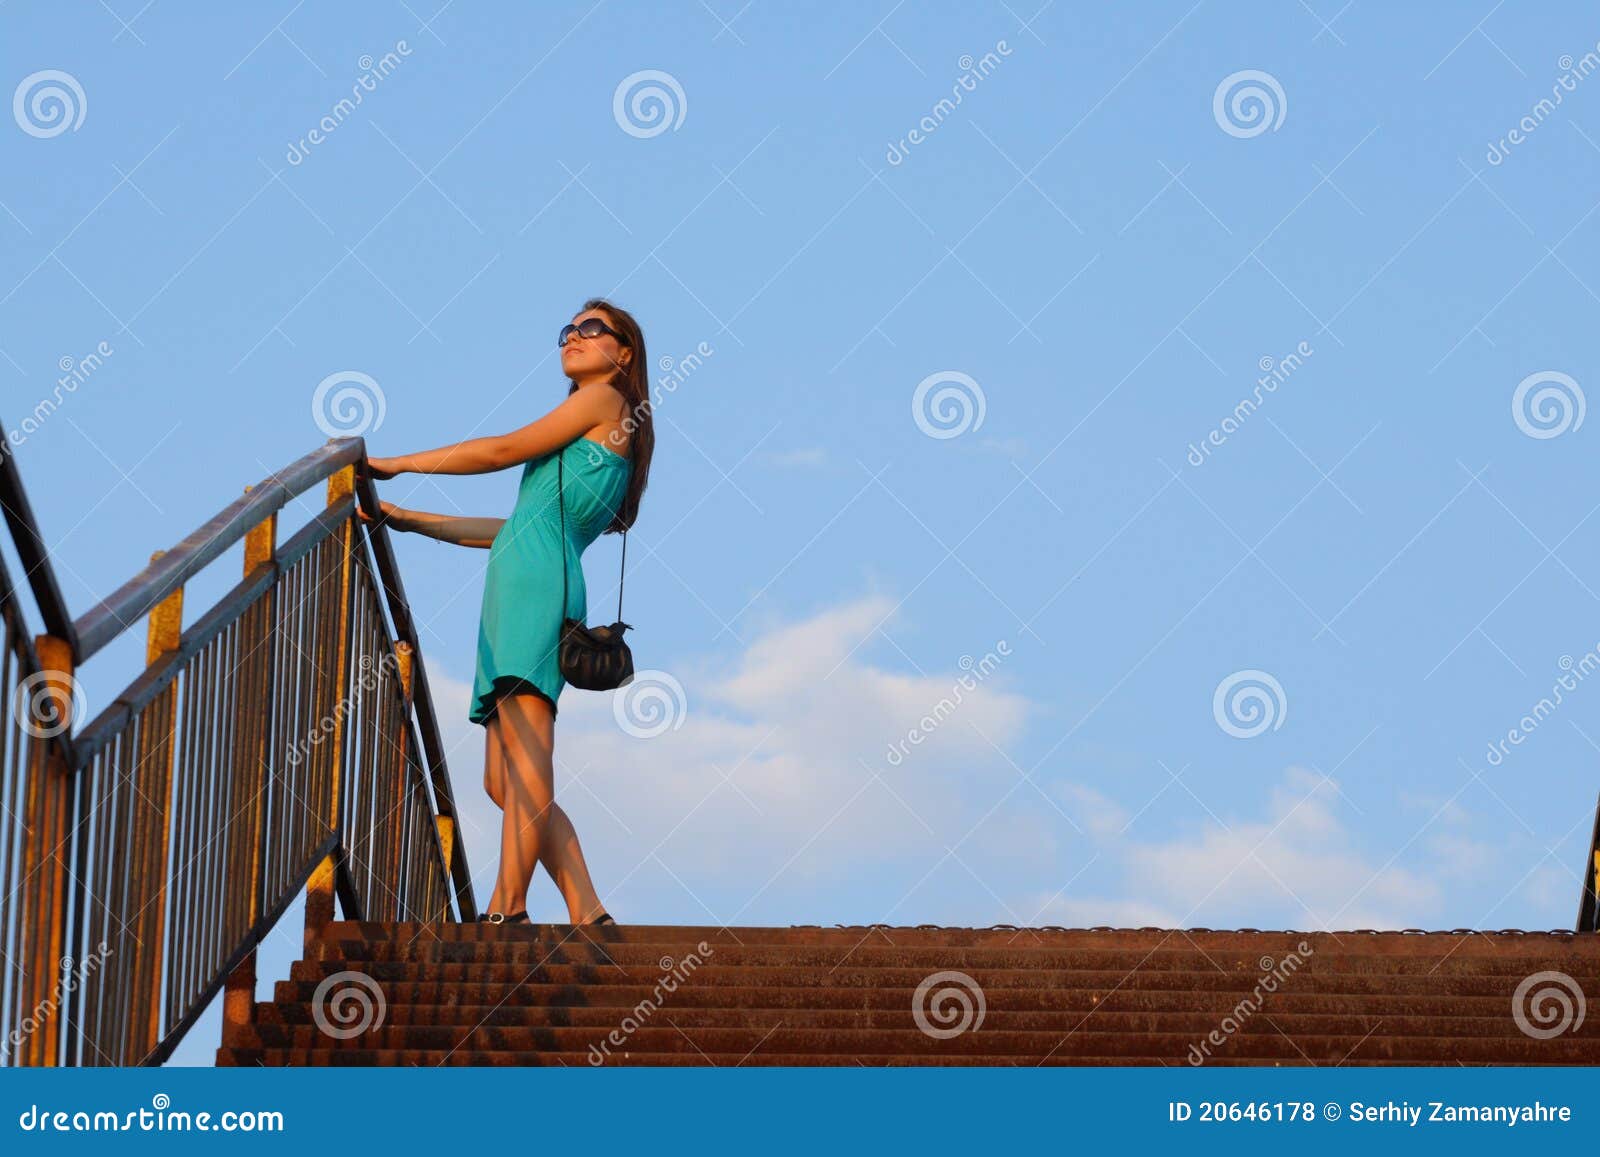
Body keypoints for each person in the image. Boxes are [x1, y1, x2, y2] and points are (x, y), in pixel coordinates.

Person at [361, 299, 653, 925]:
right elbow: (515, 528)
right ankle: (587, 908)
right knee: (502, 778)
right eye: (568, 330)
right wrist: (407, 519)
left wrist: (399, 463)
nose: (574, 337)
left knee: (527, 756)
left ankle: (508, 909)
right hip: (522, 582)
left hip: (535, 588)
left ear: (624, 353)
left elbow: (502, 450)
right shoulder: (595, 423)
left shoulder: (605, 401)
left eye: (592, 329)